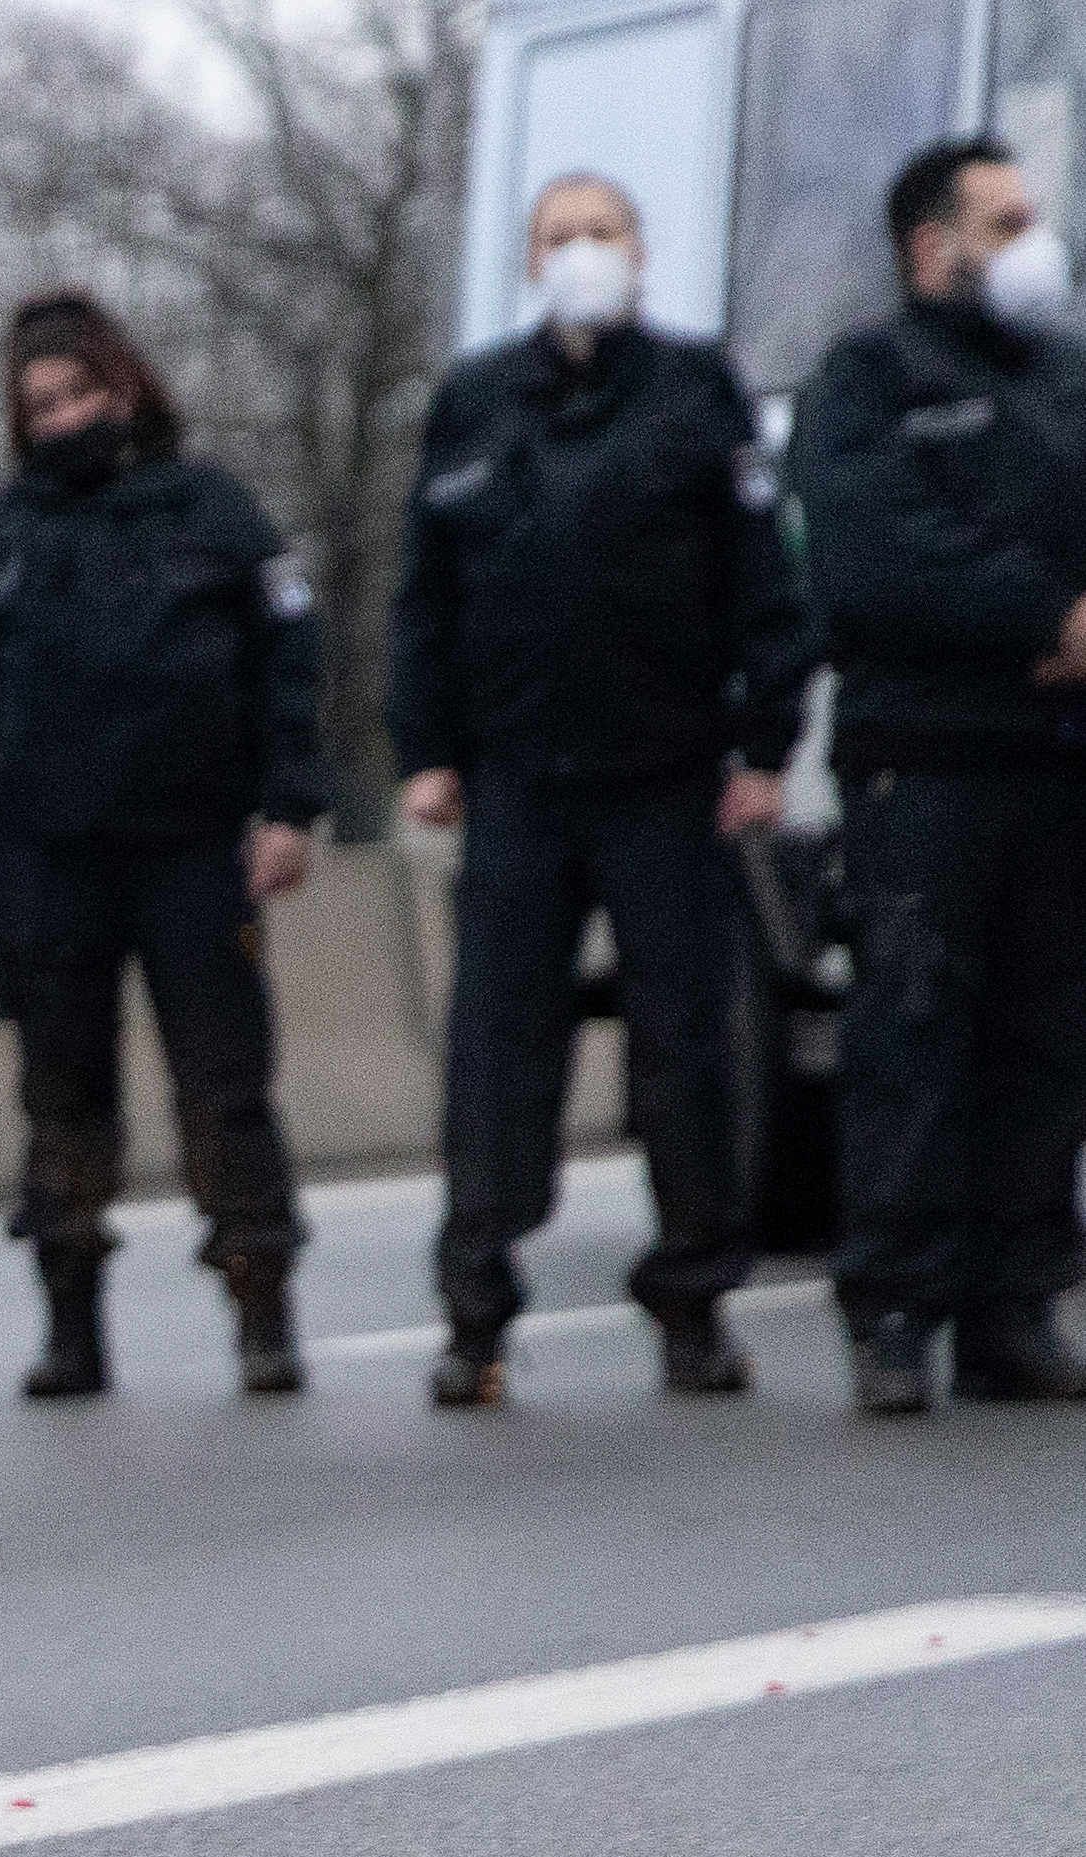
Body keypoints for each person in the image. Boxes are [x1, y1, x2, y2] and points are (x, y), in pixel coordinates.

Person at [393, 172, 818, 1408]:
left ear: (641, 250)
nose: (583, 254)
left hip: (666, 776)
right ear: (529, 262)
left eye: (603, 233)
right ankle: (475, 1312)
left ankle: (692, 1300)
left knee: (686, 1047)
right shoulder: (473, 403)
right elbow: (425, 595)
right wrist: (424, 748)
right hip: (519, 780)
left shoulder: (695, 392)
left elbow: (762, 584)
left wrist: (762, 746)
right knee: (494, 1049)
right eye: (560, 237)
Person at [0, 291, 327, 1400]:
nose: (60, 419)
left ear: (125, 389)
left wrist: (290, 804)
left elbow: (291, 666)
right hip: (51, 859)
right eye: (38, 403)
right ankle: (70, 1319)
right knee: (61, 1097)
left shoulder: (211, 512)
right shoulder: (4, 537)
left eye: (78, 394)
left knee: (226, 1087)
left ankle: (259, 1303)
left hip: (195, 850)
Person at [784, 135, 1086, 1412]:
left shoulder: (1068, 376)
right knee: (913, 1028)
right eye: (1006, 220)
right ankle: (896, 1310)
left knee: (1048, 1038)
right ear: (933, 246)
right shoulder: (864, 380)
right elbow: (877, 558)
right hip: (925, 761)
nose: (1036, 241)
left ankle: (1015, 1308)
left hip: (1058, 764)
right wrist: (1047, 620)